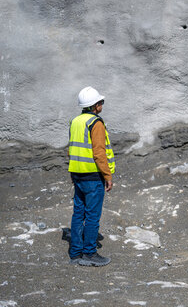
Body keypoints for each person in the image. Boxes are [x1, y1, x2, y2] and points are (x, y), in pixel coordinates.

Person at [67, 86, 115, 266]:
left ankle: (75, 253)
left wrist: (72, 172)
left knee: (78, 214)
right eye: (100, 102)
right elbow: (99, 153)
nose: (102, 104)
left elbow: (71, 149)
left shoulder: (76, 121)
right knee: (93, 216)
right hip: (93, 177)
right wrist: (107, 175)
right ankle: (89, 253)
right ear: (95, 106)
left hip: (78, 175)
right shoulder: (96, 123)